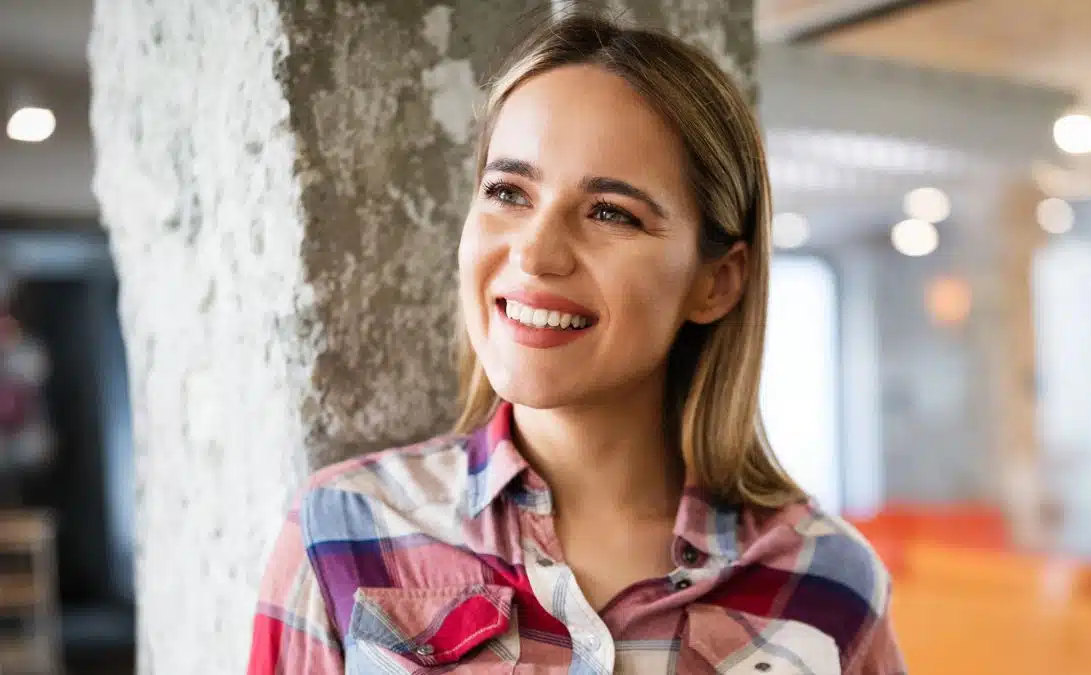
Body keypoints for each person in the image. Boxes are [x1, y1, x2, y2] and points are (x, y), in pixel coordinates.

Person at [248, 12, 905, 675]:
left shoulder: (831, 588)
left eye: (611, 212)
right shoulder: (342, 532)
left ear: (717, 282)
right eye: (508, 192)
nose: (535, 251)